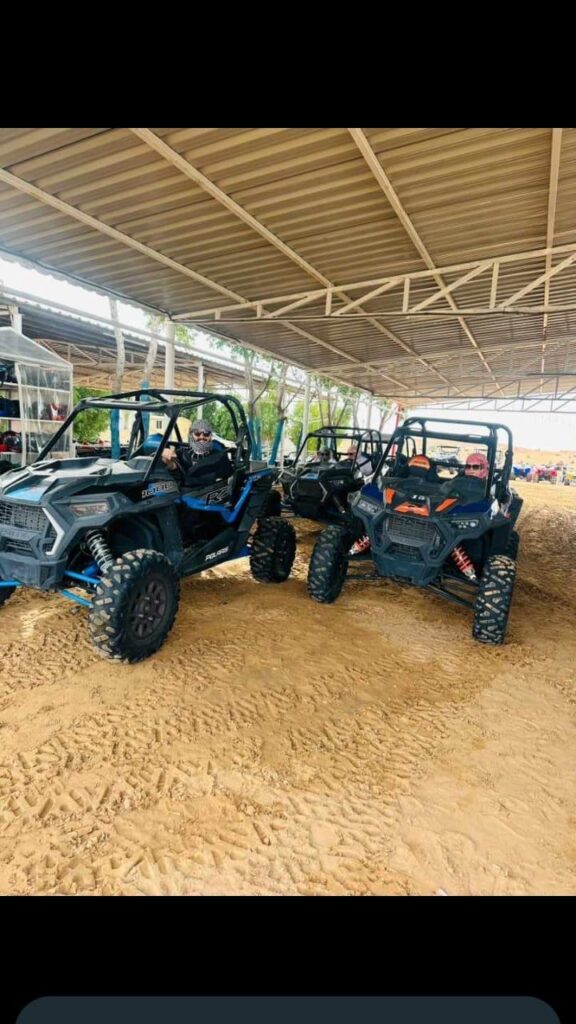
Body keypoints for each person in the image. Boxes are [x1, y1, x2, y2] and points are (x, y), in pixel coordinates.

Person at [161, 418, 232, 489]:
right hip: (182, 494)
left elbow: (227, 480)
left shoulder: (219, 456)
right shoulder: (181, 453)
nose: (202, 437)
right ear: (191, 434)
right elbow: (171, 466)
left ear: (210, 436)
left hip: (206, 494)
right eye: (197, 433)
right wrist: (164, 456)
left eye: (206, 433)